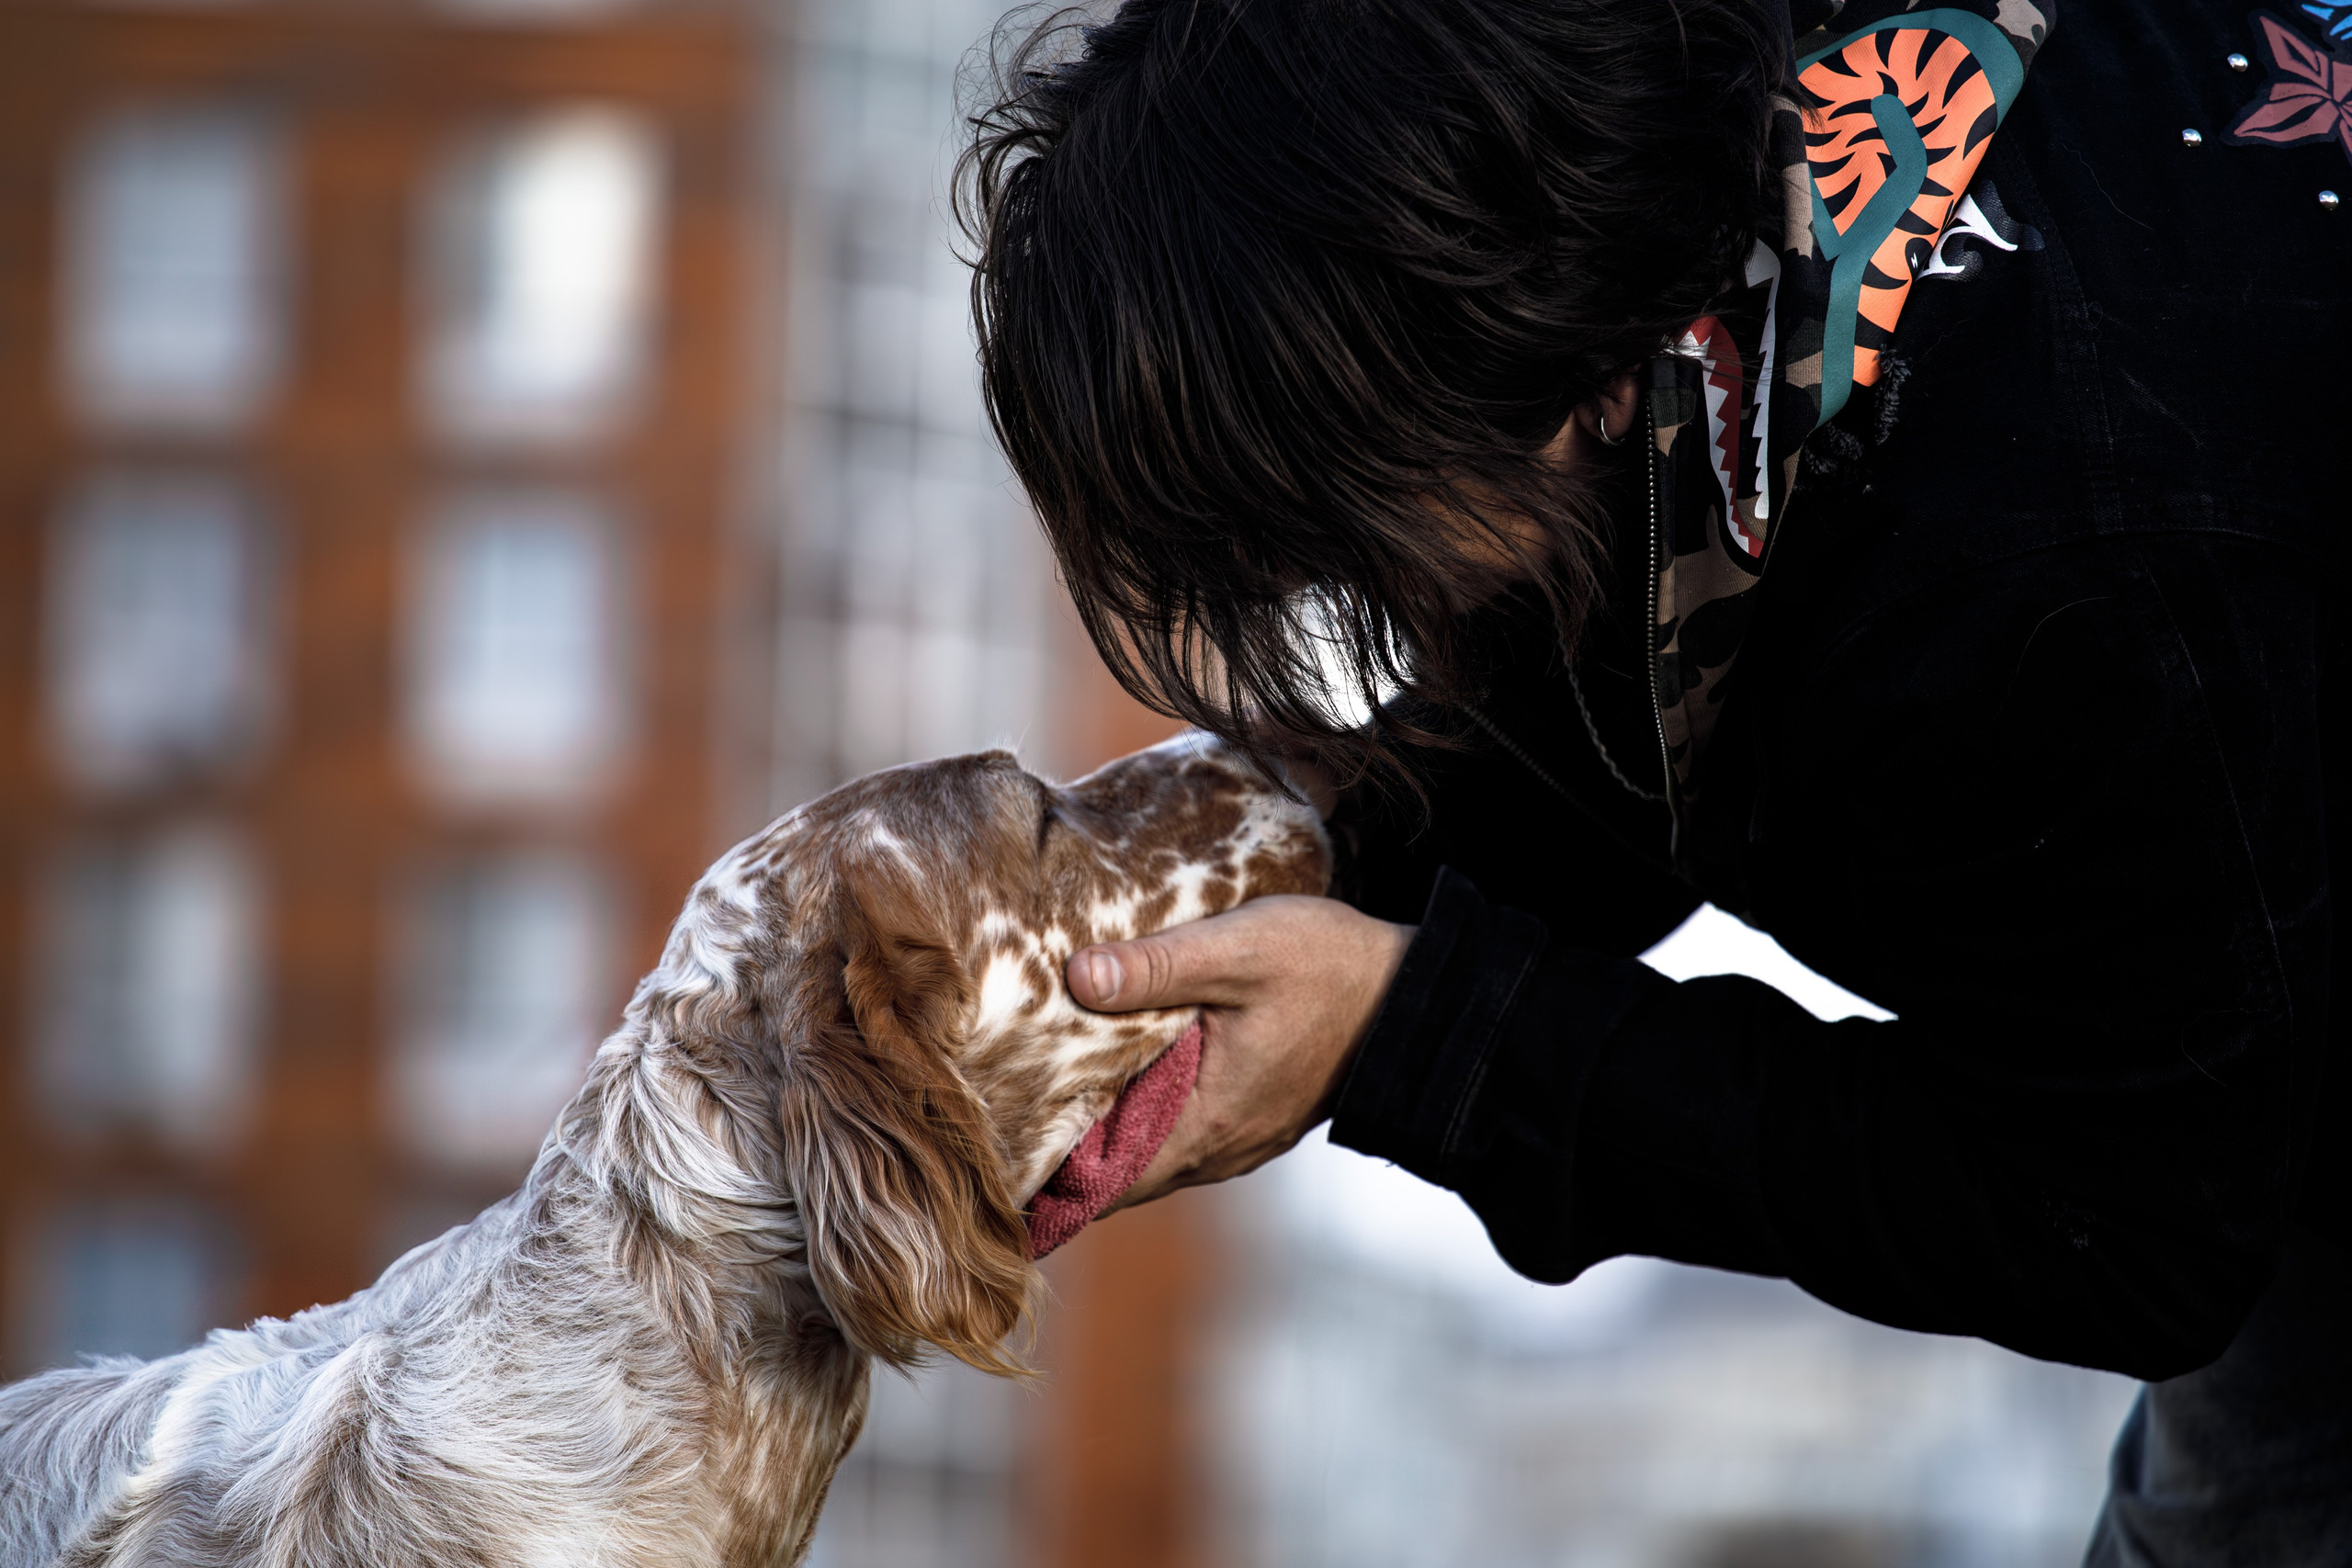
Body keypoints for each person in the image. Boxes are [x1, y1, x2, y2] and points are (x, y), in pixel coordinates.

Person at [957, 0, 2352, 1561]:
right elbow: (1634, 659)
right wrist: (1269, 882)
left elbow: (2129, 1218)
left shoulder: (2049, 570)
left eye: (1345, 528)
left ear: (1535, 371)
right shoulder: (1691, 179)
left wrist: (1411, 1037)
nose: (1363, 594)